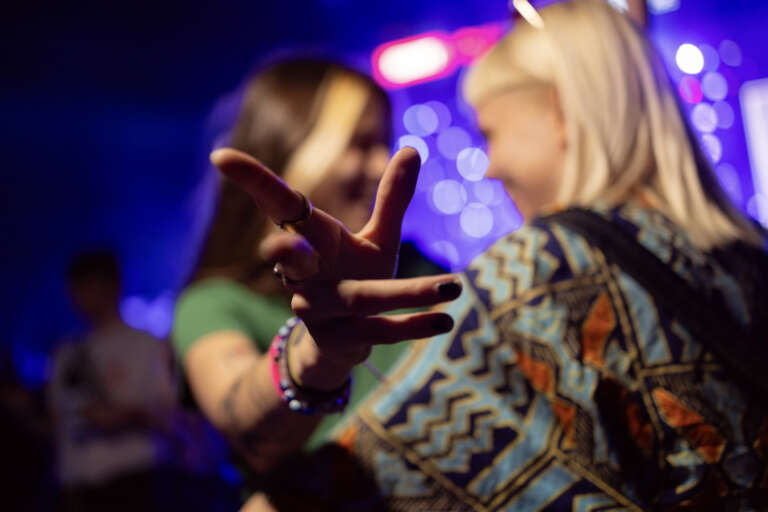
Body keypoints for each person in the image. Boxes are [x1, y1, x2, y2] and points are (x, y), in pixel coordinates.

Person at [210, 0, 768, 510]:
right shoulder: (749, 250)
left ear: (559, 112)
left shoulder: (540, 269)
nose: (492, 166)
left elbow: (348, 480)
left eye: (490, 133)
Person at [171, 58, 445, 504]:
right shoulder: (213, 303)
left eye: (384, 142)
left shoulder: (415, 269)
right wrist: (320, 353)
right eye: (360, 143)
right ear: (291, 150)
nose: (380, 164)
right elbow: (248, 427)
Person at [48, 250, 177, 511]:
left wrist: (122, 415)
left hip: (133, 480)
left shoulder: (147, 345)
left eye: (88, 284)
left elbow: (170, 417)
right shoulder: (67, 354)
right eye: (76, 287)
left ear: (112, 284)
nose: (79, 295)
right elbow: (54, 422)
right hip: (78, 486)